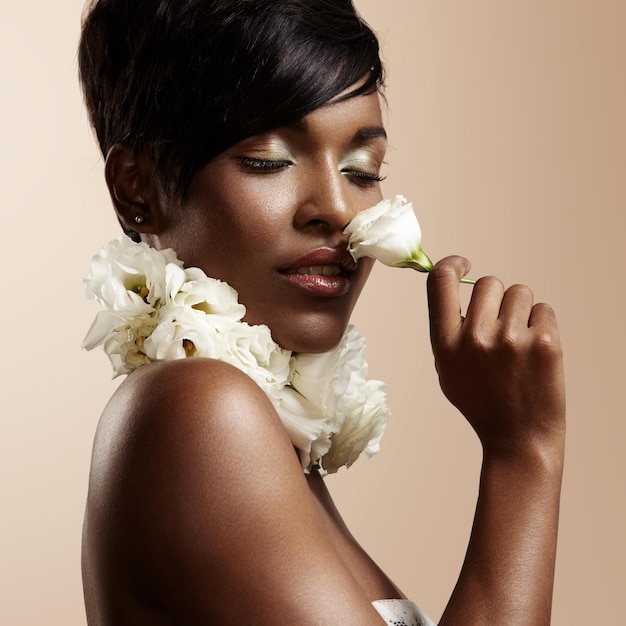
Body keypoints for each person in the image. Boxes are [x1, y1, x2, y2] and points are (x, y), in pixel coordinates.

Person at [78, 0, 566, 624]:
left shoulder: (256, 436)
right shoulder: (197, 410)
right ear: (135, 188)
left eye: (364, 169)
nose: (337, 209)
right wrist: (524, 453)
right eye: (269, 160)